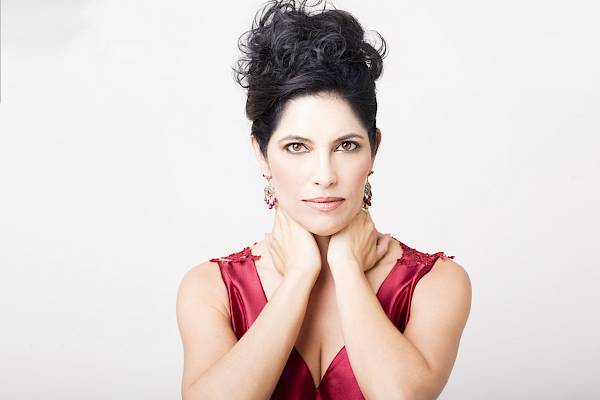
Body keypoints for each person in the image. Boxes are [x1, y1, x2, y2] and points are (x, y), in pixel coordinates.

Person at [176, 1, 472, 399]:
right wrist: (300, 275)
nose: (325, 175)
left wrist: (347, 268)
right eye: (297, 147)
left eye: (346, 145)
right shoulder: (211, 288)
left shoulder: (435, 283)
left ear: (374, 150)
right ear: (261, 154)